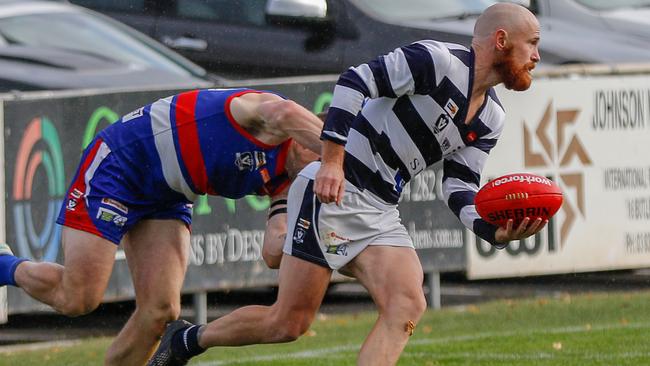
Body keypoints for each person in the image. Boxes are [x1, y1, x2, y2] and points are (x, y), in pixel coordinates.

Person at [146, 3, 545, 366]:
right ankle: (189, 339)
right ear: (501, 40)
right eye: (532, 44)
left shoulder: (492, 117)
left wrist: (491, 229)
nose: (537, 56)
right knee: (288, 324)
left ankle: (263, 256)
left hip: (381, 208)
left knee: (407, 303)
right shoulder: (437, 61)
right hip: (333, 191)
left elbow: (459, 185)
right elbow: (355, 81)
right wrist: (332, 163)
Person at [0, 87, 323, 365]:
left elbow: (272, 250)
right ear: (308, 139)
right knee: (78, 299)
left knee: (161, 312)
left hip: (167, 193)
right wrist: (336, 157)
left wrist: (316, 237)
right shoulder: (270, 117)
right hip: (120, 166)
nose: (317, 175)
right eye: (318, 163)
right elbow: (284, 111)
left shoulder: (289, 180)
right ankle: (4, 264)